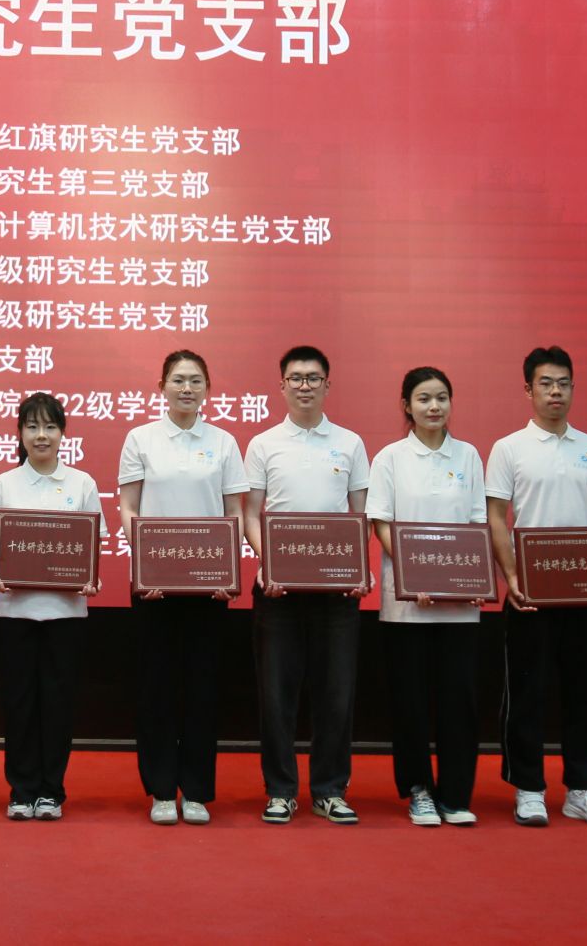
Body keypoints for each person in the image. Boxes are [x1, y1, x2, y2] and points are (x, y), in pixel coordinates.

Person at [486, 344, 587, 829]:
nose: (555, 392)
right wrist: (511, 577)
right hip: (530, 594)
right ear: (528, 390)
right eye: (545, 384)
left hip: (585, 593)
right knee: (526, 692)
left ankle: (583, 789)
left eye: (563, 383)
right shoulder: (509, 448)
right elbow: (496, 519)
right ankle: (528, 788)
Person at [241, 345, 370, 825]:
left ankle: (330, 790)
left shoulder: (350, 443)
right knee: (276, 695)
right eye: (295, 378)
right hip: (279, 591)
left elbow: (360, 515)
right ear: (282, 385)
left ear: (327, 385)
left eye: (313, 378)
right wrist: (270, 562)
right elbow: (250, 515)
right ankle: (280, 791)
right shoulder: (263, 444)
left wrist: (356, 567)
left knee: (336, 694)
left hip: (336, 592)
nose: (304, 385)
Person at [118, 348, 246, 826]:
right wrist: (145, 567)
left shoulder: (224, 443)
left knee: (202, 688)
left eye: (195, 380)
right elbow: (128, 508)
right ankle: (160, 790)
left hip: (209, 589)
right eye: (178, 380)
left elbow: (233, 513)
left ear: (207, 389)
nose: (187, 388)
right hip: (154, 588)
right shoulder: (141, 438)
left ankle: (195, 790)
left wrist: (229, 572)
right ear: (162, 388)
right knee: (156, 688)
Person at [369, 366, 486, 828]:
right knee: (410, 702)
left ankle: (455, 794)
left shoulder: (469, 455)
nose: (434, 406)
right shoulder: (390, 458)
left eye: (441, 397)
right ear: (407, 406)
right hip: (406, 604)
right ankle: (418, 790)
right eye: (423, 398)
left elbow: (477, 523)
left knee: (459, 701)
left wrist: (464, 579)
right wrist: (415, 572)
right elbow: (381, 522)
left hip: (460, 605)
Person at [0, 392, 105, 820]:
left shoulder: (82, 484)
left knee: (58, 704)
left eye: (50, 426)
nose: (41, 435)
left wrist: (88, 576)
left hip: (65, 613)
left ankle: (51, 790)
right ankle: (21, 790)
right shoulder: (4, 484)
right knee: (18, 703)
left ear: (63, 433)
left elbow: (91, 544)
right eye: (32, 426)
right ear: (19, 433)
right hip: (15, 610)